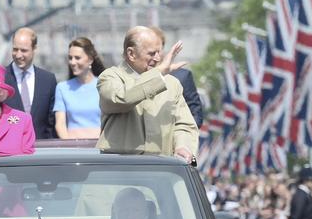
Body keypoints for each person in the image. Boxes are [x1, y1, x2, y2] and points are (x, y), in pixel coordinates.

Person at [96, 26, 198, 160]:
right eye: (151, 53)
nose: (157, 58)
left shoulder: (172, 83)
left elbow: (184, 125)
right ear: (131, 54)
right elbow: (122, 98)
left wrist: (182, 147)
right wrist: (159, 73)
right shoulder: (110, 77)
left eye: (159, 52)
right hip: (120, 168)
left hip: (162, 168)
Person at [4, 27, 57, 139]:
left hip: (41, 149)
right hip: (8, 150)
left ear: (34, 49)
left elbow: (52, 122)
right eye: (15, 49)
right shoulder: (1, 78)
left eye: (24, 50)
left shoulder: (48, 80)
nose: (18, 55)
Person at [150, 27, 203, 128]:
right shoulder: (132, 79)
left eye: (157, 49)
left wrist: (181, 137)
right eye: (148, 50)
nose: (154, 55)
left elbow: (196, 115)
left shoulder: (182, 76)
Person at [53, 37, 105, 139]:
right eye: (70, 58)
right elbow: (60, 124)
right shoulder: (62, 88)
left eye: (77, 58)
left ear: (90, 59)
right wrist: (69, 146)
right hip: (73, 150)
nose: (72, 62)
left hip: (99, 148)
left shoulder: (104, 85)